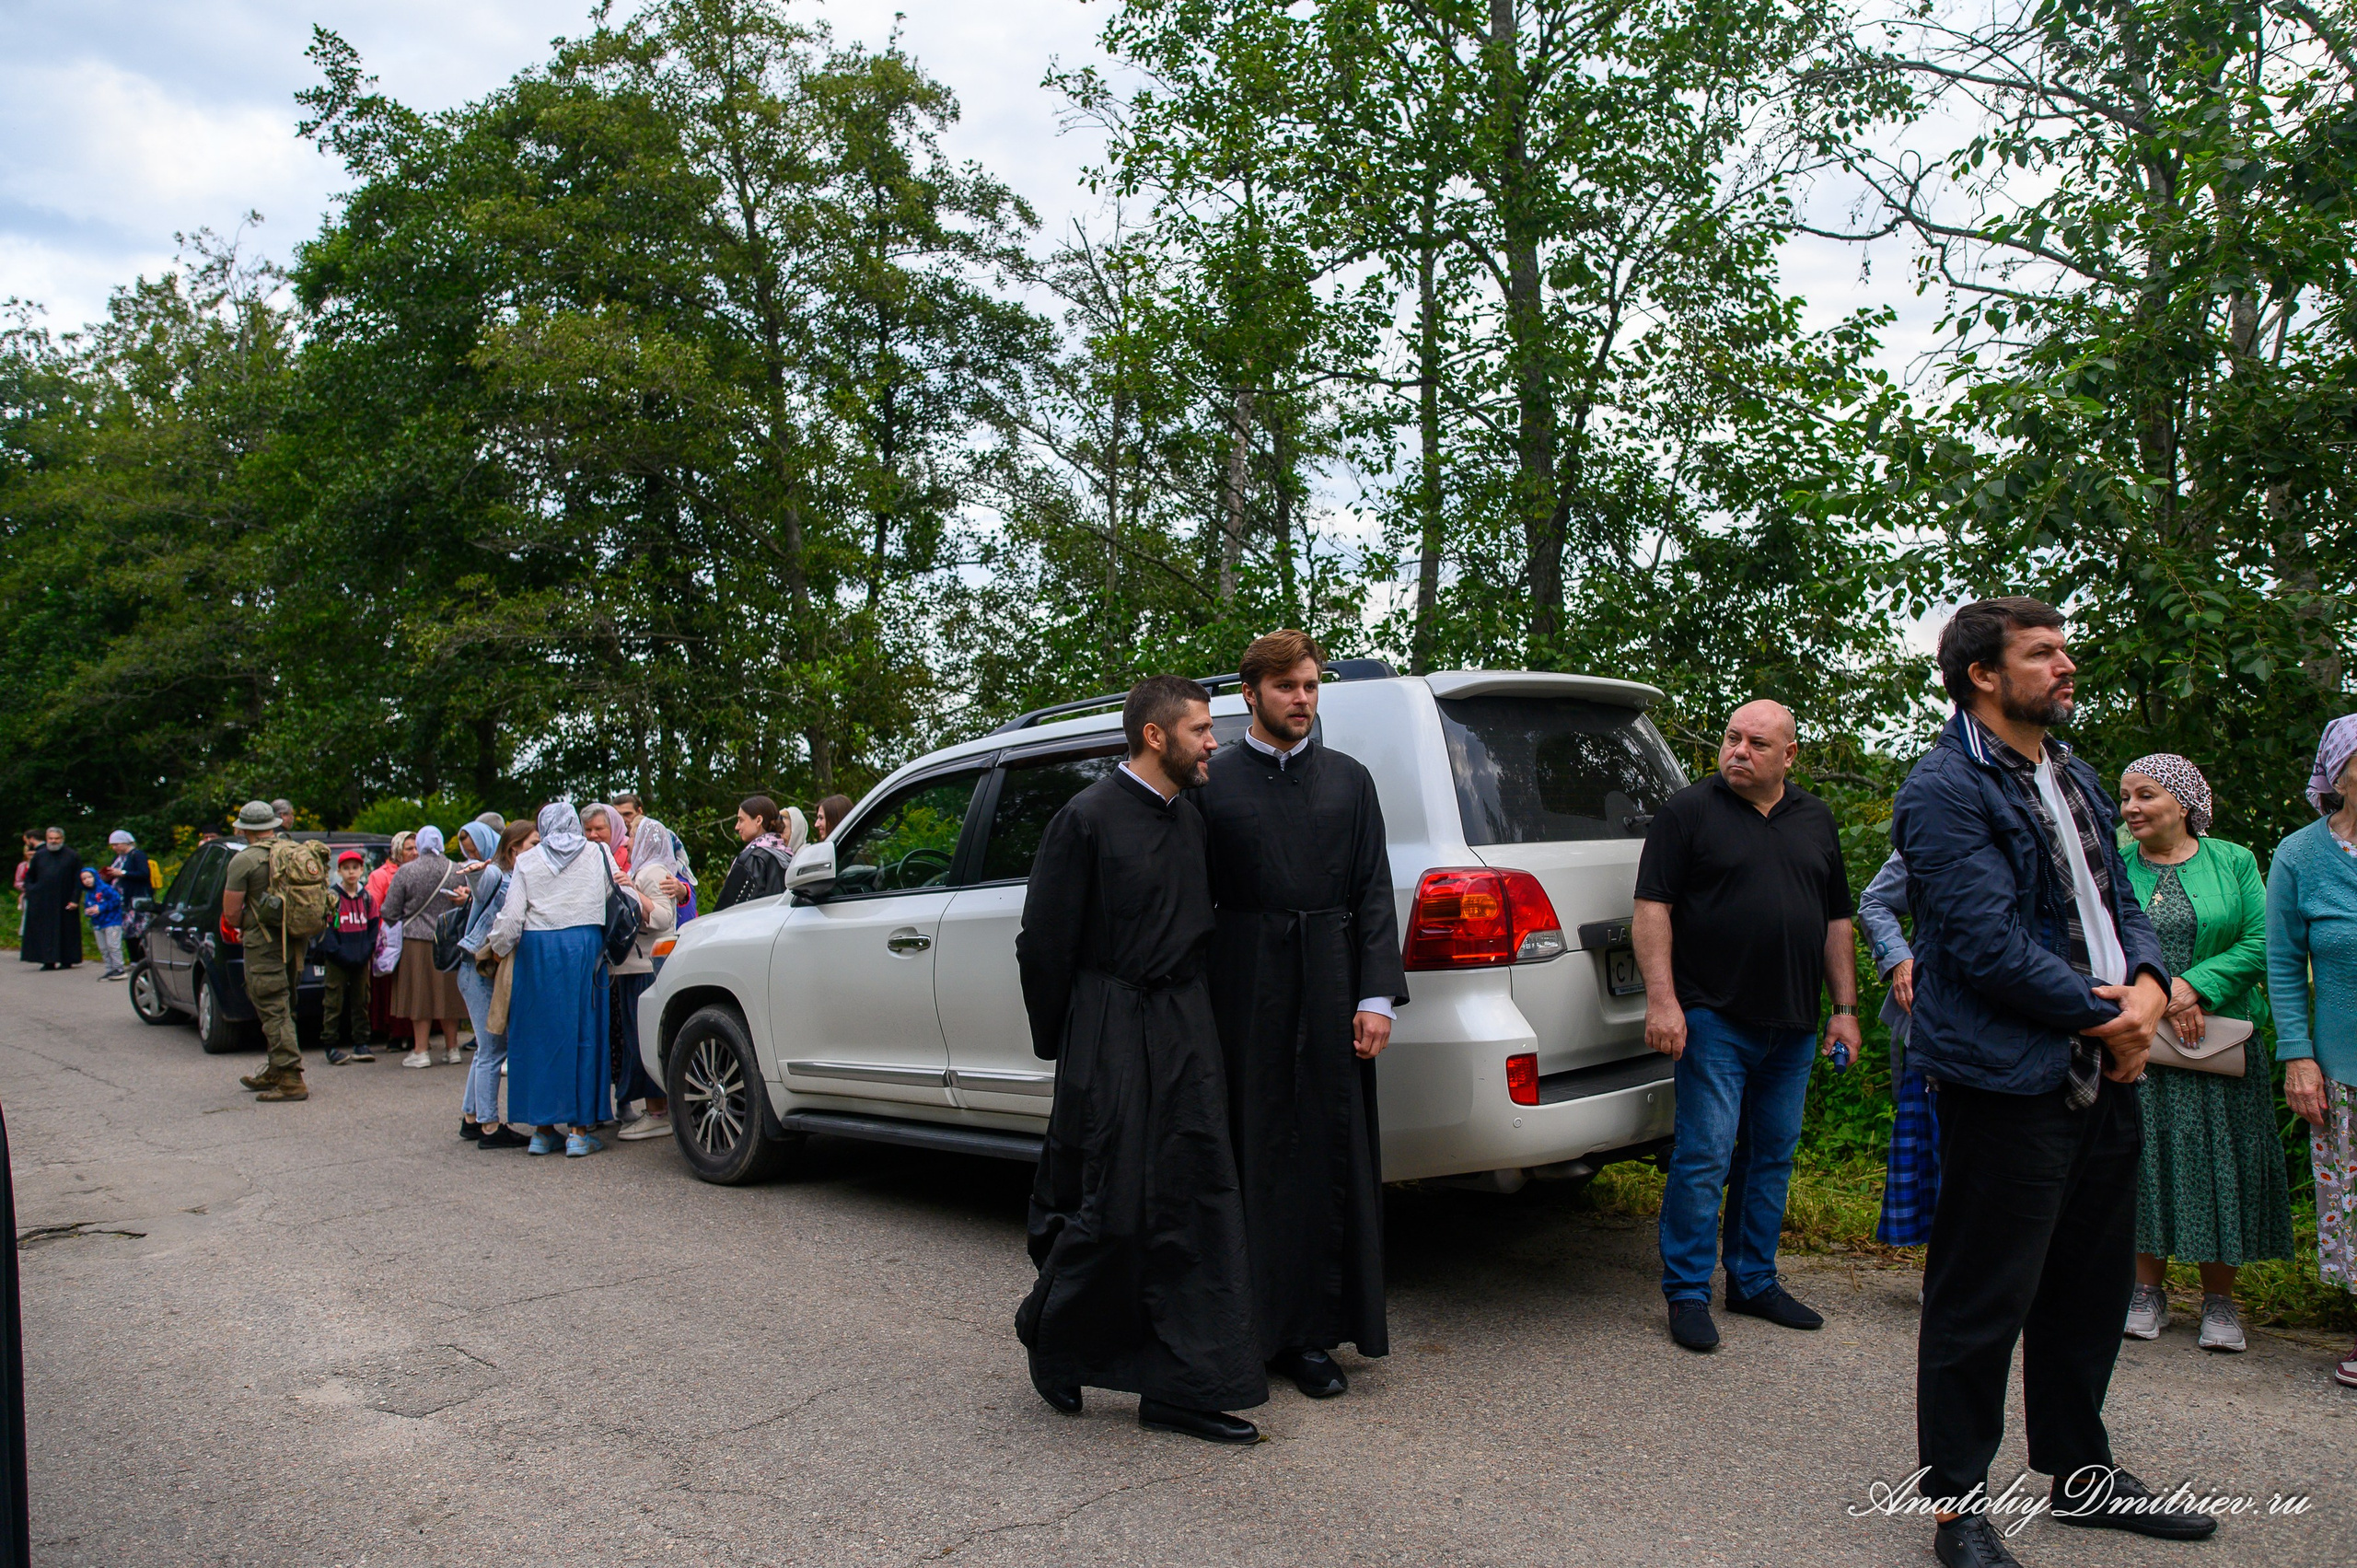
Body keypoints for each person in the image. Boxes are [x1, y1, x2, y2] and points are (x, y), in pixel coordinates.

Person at [1893, 598, 2212, 1567]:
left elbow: (2124, 902)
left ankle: (2080, 1475)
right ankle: (1957, 1508)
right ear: (1982, 673)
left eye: (2064, 649)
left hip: (2103, 1070)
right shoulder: (1944, 787)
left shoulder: (2067, 773)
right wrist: (2112, 1018)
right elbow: (1983, 944)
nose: (2065, 666)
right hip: (2010, 1078)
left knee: (2087, 1288)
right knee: (1981, 1298)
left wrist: (2150, 991)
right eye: (2043, 653)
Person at [1015, 675, 1265, 1444]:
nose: (1213, 741)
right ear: (1156, 736)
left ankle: (1182, 1387)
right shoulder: (1084, 818)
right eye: (1200, 729)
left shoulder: (1189, 816)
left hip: (1185, 1025)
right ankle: (1053, 1332)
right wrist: (1071, 1043)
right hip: (1111, 1022)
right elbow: (1044, 944)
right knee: (1113, 1205)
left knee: (1198, 1196)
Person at [1195, 630, 1404, 1397]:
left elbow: (1374, 890)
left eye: (1311, 686)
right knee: (1251, 1154)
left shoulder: (1351, 781)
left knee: (1325, 1153)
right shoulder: (1211, 783)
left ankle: (1314, 1336)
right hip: (1241, 988)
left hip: (1330, 984)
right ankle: (1247, 1330)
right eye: (1287, 687)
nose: (1302, 700)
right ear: (1250, 694)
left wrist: (1376, 994)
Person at [1634, 700, 1858, 1353]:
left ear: (1789, 755)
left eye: (1757, 743)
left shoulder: (1814, 817)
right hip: (1713, 1014)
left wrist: (1844, 1010)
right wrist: (1663, 1000)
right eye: (1732, 737)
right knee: (1705, 1155)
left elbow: (1836, 921)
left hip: (1793, 1022)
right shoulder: (1688, 812)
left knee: (1772, 1154)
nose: (1738, 750)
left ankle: (1755, 1281)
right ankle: (1686, 1292)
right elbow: (1652, 909)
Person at [2115, 754, 2287, 1354]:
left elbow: (2262, 941)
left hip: (2218, 1044)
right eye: (2126, 797)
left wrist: (2195, 985)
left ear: (2184, 804)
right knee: (2144, 1160)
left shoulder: (2234, 861)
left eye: (2146, 796)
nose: (2132, 808)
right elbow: (2098, 932)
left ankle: (2219, 1300)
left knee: (2223, 1164)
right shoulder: (2111, 857)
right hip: (2139, 1040)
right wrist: (2163, 991)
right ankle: (2145, 1291)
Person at [2266, 714, 2357, 1391]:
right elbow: (2282, 962)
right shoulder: (2300, 854)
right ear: (2340, 770)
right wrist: (2298, 1054)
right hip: (2342, 1064)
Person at [489, 803, 634, 1157]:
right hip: (584, 949)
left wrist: (497, 946)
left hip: (538, 951)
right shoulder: (598, 851)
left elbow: (511, 921)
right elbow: (615, 894)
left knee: (539, 1038)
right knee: (583, 1036)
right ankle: (579, 1132)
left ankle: (542, 1131)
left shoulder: (527, 860)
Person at [1859, 851, 1939, 1249]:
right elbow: (1875, 901)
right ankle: (1946, 1272)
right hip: (1936, 1024)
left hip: (2023, 1026)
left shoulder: (2049, 819)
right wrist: (1899, 959)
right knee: (1938, 1157)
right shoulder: (1935, 819)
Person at [221, 802, 319, 1103]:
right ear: (274, 824)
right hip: (295, 940)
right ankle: (277, 1069)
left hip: (264, 944)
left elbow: (231, 913)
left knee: (272, 1005)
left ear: (244, 828)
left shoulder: (245, 860)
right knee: (283, 1003)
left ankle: (291, 1078)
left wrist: (245, 923)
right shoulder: (293, 850)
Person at [458, 820, 537, 1149]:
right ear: (513, 849)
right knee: (492, 1047)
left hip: (480, 969)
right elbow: (482, 878)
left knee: (484, 1048)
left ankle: (471, 1118)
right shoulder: (499, 876)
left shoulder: (522, 877)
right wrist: (475, 871)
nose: (540, 849)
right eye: (534, 844)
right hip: (479, 969)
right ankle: (490, 1127)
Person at [377, 826, 470, 1068]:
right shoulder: (456, 869)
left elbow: (388, 910)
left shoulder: (407, 871)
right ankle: (452, 1049)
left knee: (420, 997)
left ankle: (421, 1051)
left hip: (416, 942)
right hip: (448, 939)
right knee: (448, 995)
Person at [611, 815, 679, 1140]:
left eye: (632, 834)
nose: (626, 841)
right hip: (635, 967)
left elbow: (664, 917)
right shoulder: (646, 870)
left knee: (643, 1040)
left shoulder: (651, 872)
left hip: (643, 968)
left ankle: (658, 1113)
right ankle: (655, 1109)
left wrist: (632, 892)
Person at [317, 850, 379, 1065]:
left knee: (361, 999)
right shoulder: (332, 898)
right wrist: (339, 952)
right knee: (333, 1001)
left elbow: (373, 929)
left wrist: (366, 952)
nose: (351, 872)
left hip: (360, 956)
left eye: (355, 868)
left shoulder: (367, 898)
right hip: (338, 958)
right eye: (346, 868)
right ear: (339, 871)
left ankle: (361, 1041)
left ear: (362, 870)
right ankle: (330, 1044)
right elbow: (327, 930)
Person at [713, 796, 807, 911]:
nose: (737, 827)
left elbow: (725, 909)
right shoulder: (787, 855)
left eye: (741, 820)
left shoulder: (753, 858)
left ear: (758, 821)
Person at [17, 830, 83, 970]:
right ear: (46, 839)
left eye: (57, 838)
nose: (53, 841)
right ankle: (47, 960)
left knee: (66, 930)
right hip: (43, 901)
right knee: (45, 931)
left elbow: (78, 880)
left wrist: (75, 899)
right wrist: (32, 891)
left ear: (62, 839)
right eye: (50, 838)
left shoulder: (72, 856)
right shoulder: (39, 856)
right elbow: (29, 877)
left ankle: (67, 960)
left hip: (64, 900)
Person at [80, 869, 125, 981]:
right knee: (103, 948)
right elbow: (88, 906)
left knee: (113, 946)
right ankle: (110, 969)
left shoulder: (105, 889)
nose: (87, 881)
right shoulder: (89, 894)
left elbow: (116, 900)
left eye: (89, 877)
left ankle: (119, 968)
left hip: (112, 921)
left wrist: (101, 908)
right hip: (98, 923)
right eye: (84, 879)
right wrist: (88, 912)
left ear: (95, 877)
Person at [100, 830, 152, 906]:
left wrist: (123, 873)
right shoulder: (117, 858)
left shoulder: (137, 855)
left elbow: (144, 874)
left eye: (116, 845)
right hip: (120, 897)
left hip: (136, 896)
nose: (114, 848)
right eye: (112, 845)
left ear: (126, 843)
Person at [582, 802, 631, 872]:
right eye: (588, 830)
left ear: (614, 828)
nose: (592, 835)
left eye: (599, 829)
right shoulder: (582, 856)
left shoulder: (631, 853)